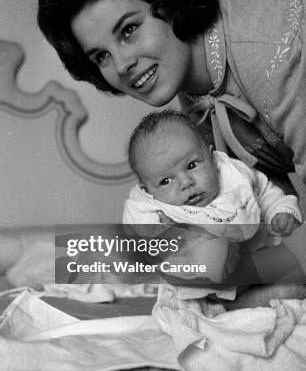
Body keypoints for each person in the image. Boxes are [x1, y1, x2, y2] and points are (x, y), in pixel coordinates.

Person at [38, 0, 306, 191]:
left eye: (129, 30)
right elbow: (264, 206)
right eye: (101, 56)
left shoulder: (270, 50)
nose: (121, 65)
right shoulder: (196, 95)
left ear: (171, 5)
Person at [123, 110, 304, 307]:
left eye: (192, 165)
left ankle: (274, 293)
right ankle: (228, 303)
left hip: (255, 259)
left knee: (295, 260)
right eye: (166, 181)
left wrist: (281, 210)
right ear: (146, 188)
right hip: (204, 282)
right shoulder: (145, 207)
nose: (186, 182)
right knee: (210, 247)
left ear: (211, 157)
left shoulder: (232, 172)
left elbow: (264, 190)